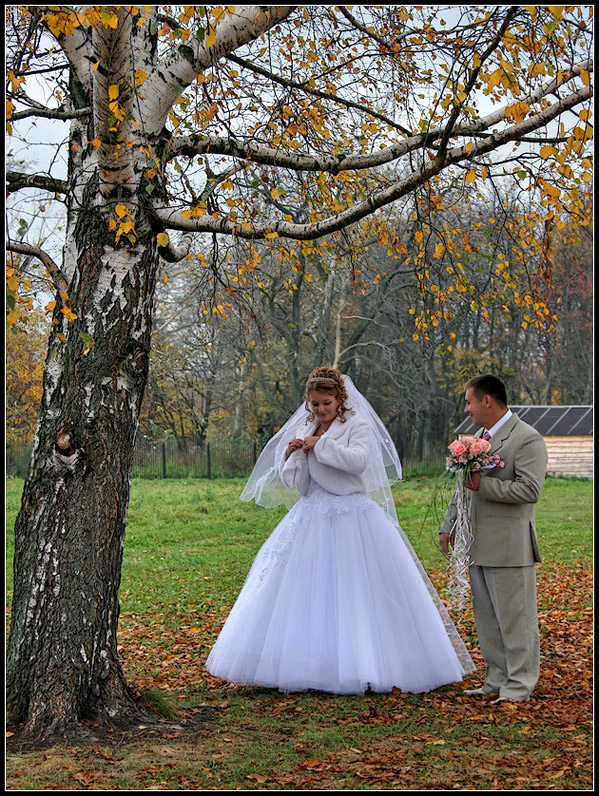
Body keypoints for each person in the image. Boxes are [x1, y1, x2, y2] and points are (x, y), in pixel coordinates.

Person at [206, 367, 474, 695]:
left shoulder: (356, 425)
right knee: (307, 590)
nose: (320, 409)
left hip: (352, 515)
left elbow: (358, 462)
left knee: (355, 589)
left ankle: (366, 663)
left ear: (339, 399)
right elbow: (302, 485)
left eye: (326, 403)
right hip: (312, 515)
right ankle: (306, 663)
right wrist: (295, 456)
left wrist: (318, 445)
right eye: (315, 404)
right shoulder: (310, 426)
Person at [439, 374, 547, 704]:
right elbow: (462, 486)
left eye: (470, 401)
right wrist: (449, 525)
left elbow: (530, 490)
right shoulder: (476, 440)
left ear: (488, 400)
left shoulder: (527, 439)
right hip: (477, 543)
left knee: (516, 620)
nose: (467, 409)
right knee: (487, 621)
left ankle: (519, 685)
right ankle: (496, 679)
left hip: (509, 546)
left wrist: (484, 486)